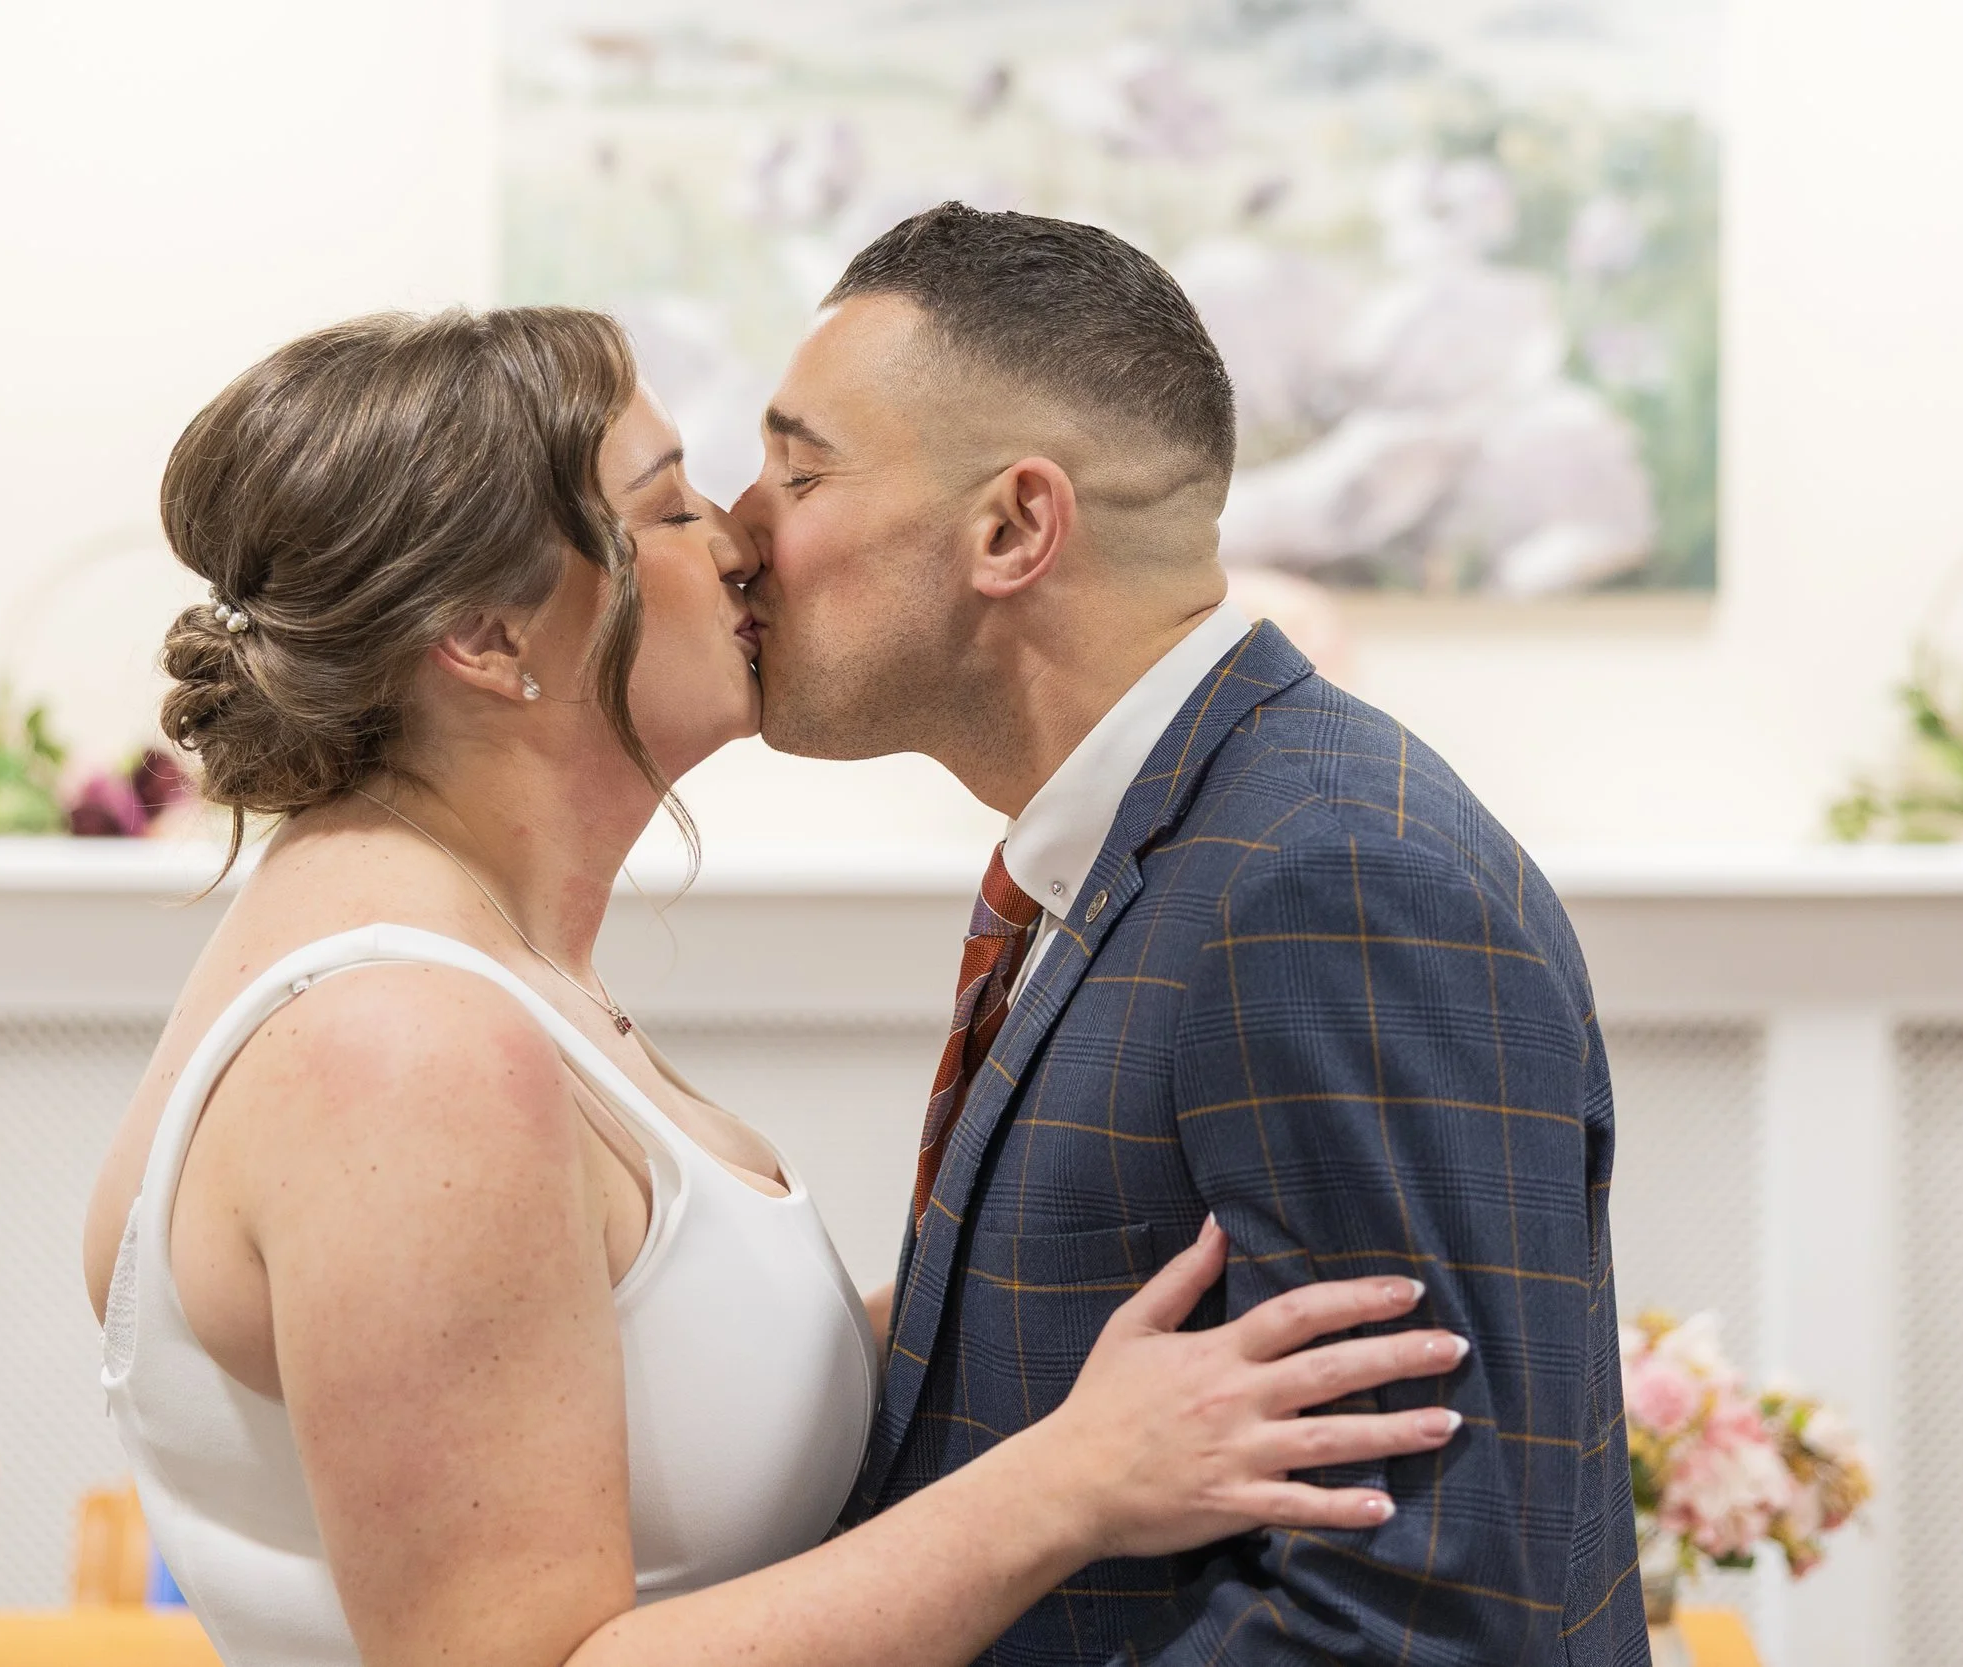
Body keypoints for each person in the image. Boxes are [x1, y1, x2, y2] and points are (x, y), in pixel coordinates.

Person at [81, 307, 1470, 1667]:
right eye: (670, 506)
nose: (744, 537)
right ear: (489, 640)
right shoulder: (400, 1049)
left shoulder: (465, 966)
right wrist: (1066, 1486)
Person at [732, 203, 1646, 1665]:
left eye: (798, 470)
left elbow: (1416, 1623)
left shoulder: (1332, 877)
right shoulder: (1169, 839)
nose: (738, 534)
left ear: (1014, 525)